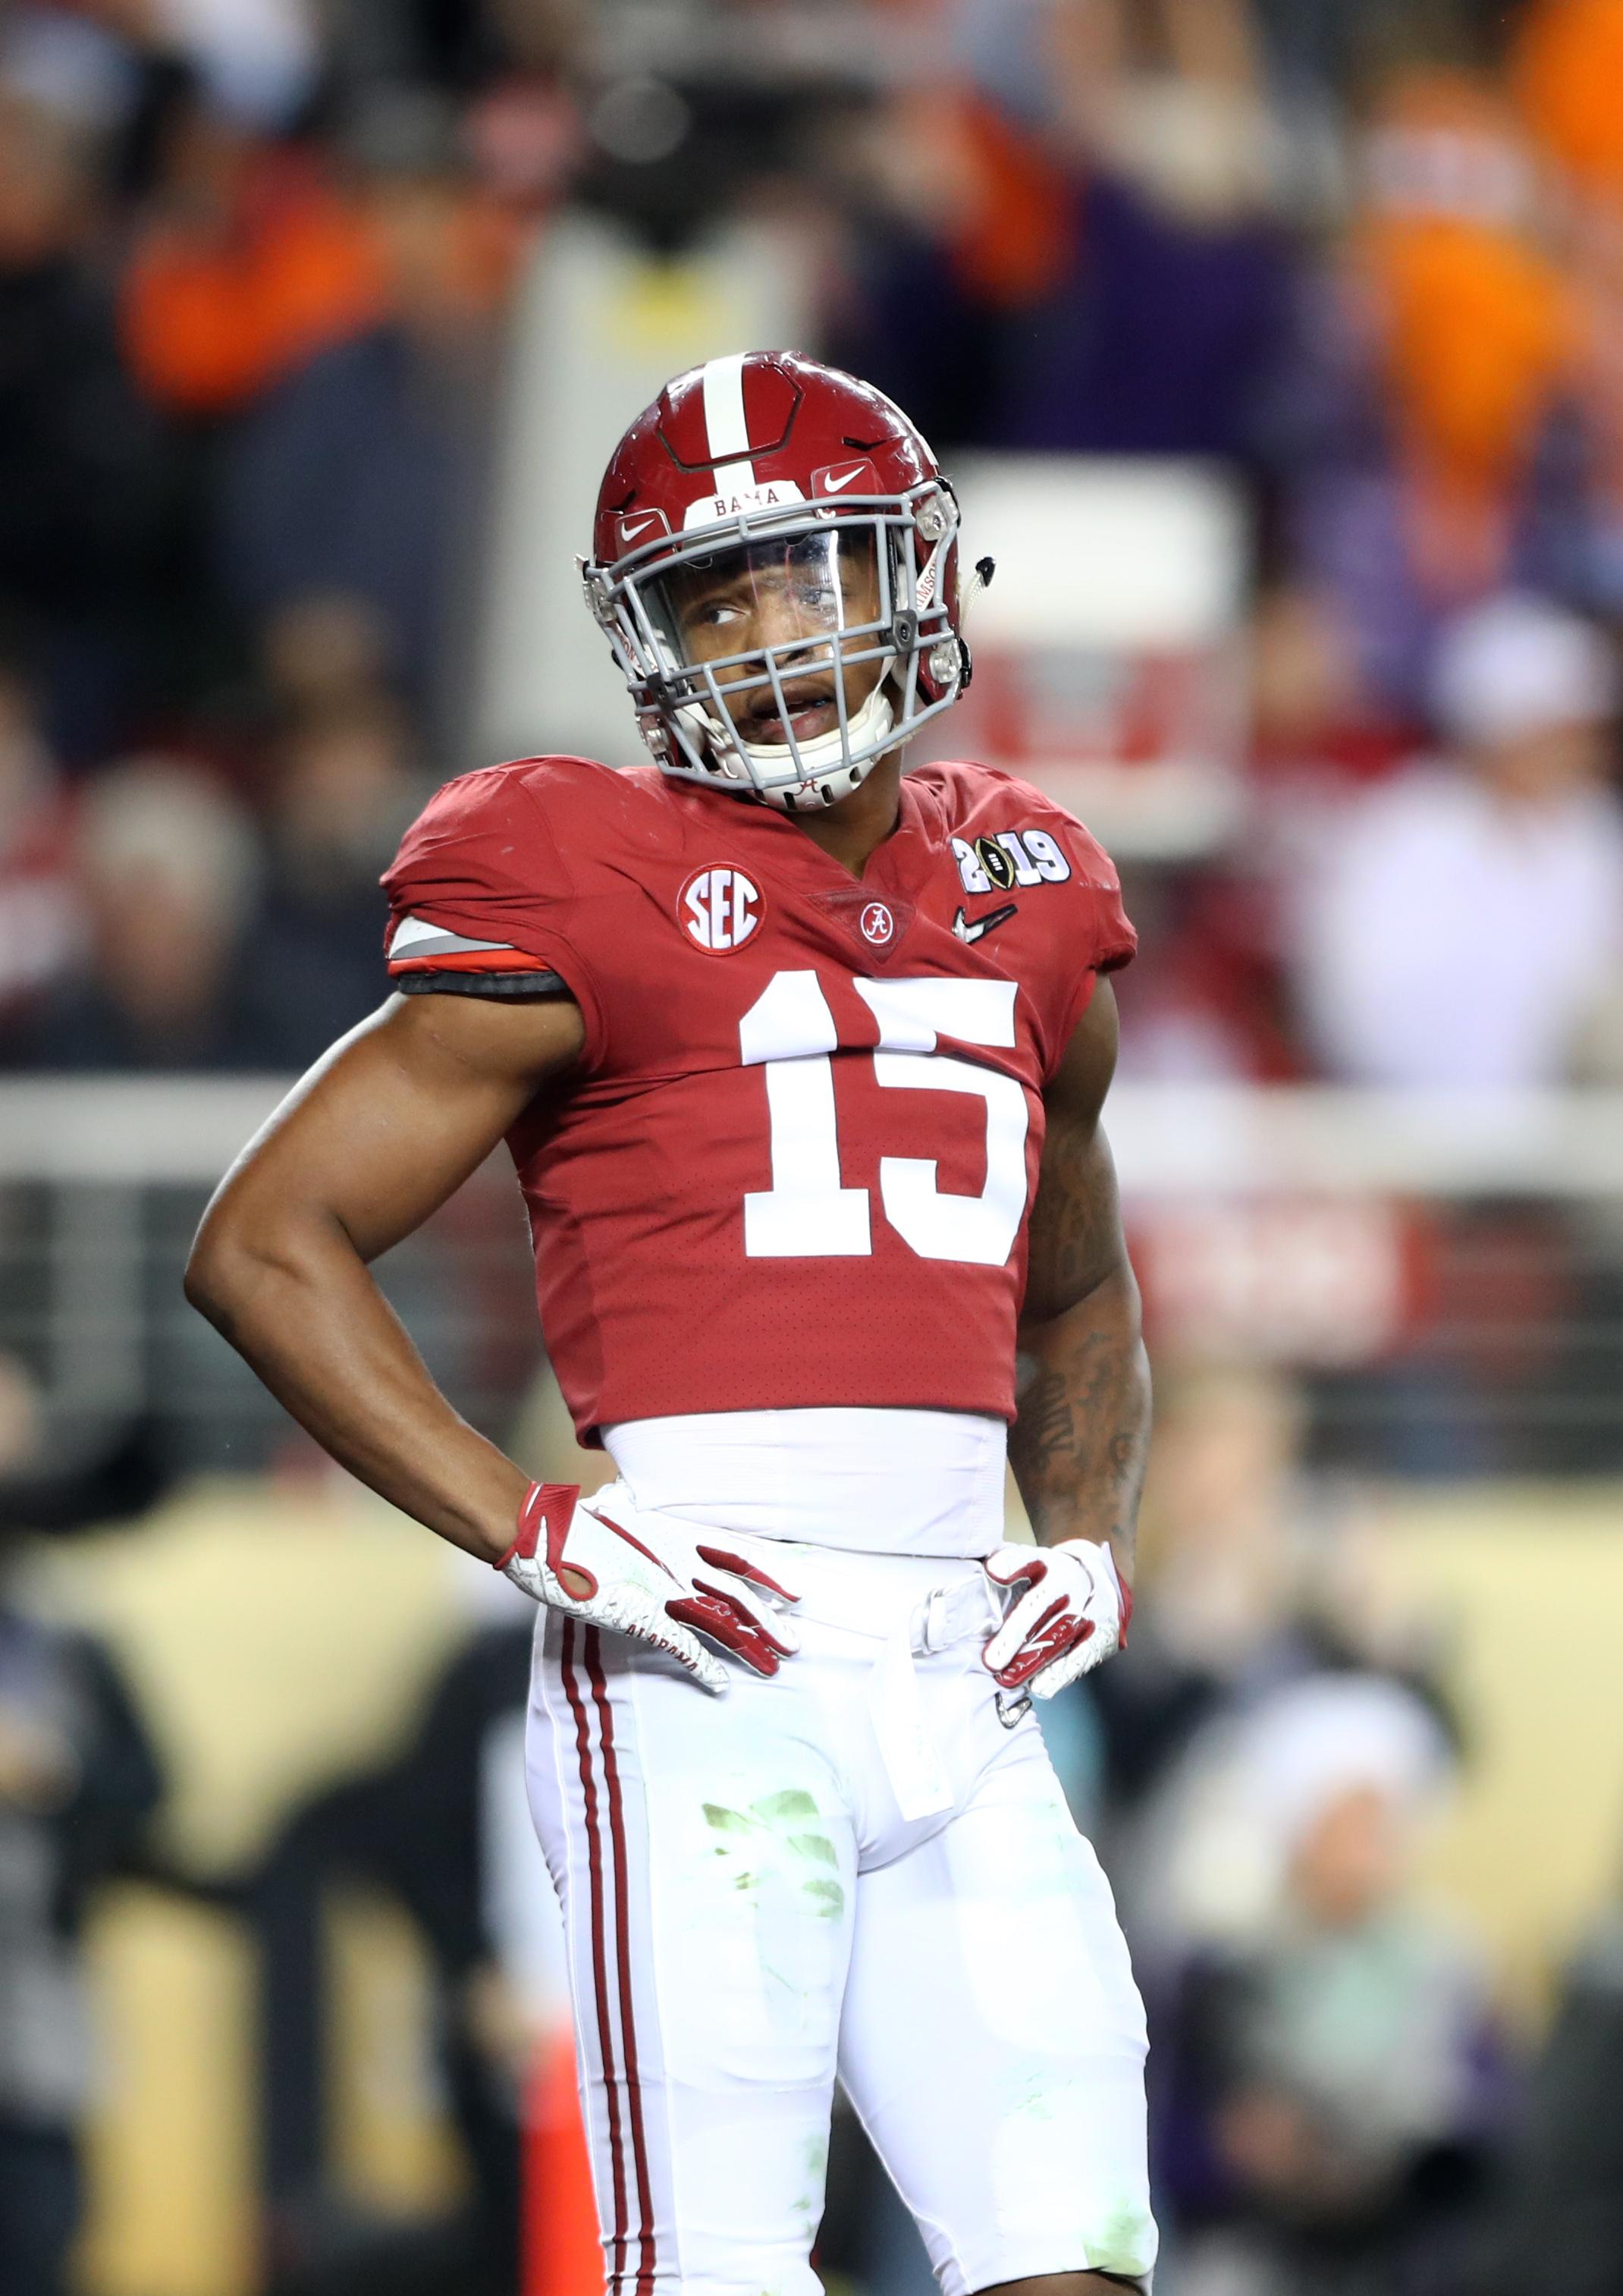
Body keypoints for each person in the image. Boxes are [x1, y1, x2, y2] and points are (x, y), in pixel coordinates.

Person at [184, 350, 1159, 2294]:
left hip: (957, 1674)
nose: (771, 633)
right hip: (702, 1670)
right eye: (715, 596)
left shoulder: (1028, 887)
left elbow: (1076, 1287)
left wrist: (1087, 1540)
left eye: (806, 574)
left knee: (1074, 2257)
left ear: (921, 575)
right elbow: (265, 1238)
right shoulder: (580, 869)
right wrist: (524, 1516)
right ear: (645, 642)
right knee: (709, 2269)